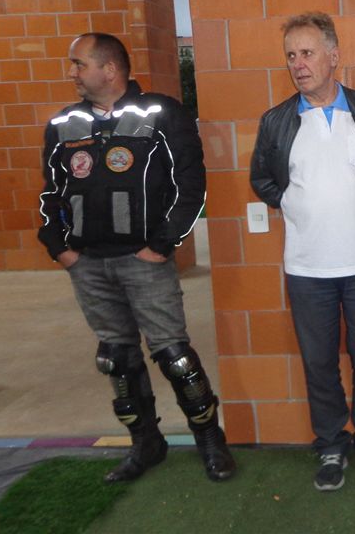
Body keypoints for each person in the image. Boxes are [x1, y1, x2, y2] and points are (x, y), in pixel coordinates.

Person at [37, 32, 235, 482]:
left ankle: (211, 441)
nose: (72, 72)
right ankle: (146, 445)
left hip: (144, 261)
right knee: (116, 359)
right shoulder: (63, 124)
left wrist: (161, 245)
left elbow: (190, 187)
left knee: (175, 357)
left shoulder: (161, 113)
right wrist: (60, 248)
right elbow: (51, 193)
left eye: (79, 63)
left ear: (109, 69)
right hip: (87, 264)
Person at [249, 12, 355, 492]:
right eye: (291, 56)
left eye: (307, 53)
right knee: (319, 362)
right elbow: (262, 180)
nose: (298, 64)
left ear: (333, 56)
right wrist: (295, 204)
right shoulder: (277, 122)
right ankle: (330, 444)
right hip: (306, 268)